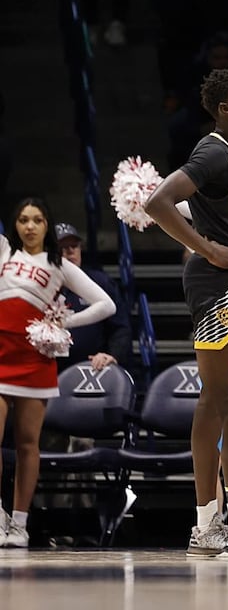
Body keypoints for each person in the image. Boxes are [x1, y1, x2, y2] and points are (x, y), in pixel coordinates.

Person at [144, 70, 228, 557]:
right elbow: (159, 201)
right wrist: (208, 249)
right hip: (214, 281)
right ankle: (204, 523)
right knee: (216, 401)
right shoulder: (214, 149)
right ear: (225, 108)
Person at [0, 199, 117, 548]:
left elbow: (105, 304)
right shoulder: (5, 253)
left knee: (27, 445)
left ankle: (19, 524)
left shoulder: (59, 264)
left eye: (37, 220)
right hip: (1, 354)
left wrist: (63, 321)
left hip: (36, 360)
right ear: (15, 225)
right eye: (23, 220)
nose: (30, 226)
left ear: (47, 225)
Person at [53, 222, 131, 372]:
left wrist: (111, 354)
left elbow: (120, 327)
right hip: (49, 368)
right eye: (63, 247)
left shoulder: (100, 283)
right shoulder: (42, 285)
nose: (70, 252)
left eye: (74, 246)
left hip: (94, 368)